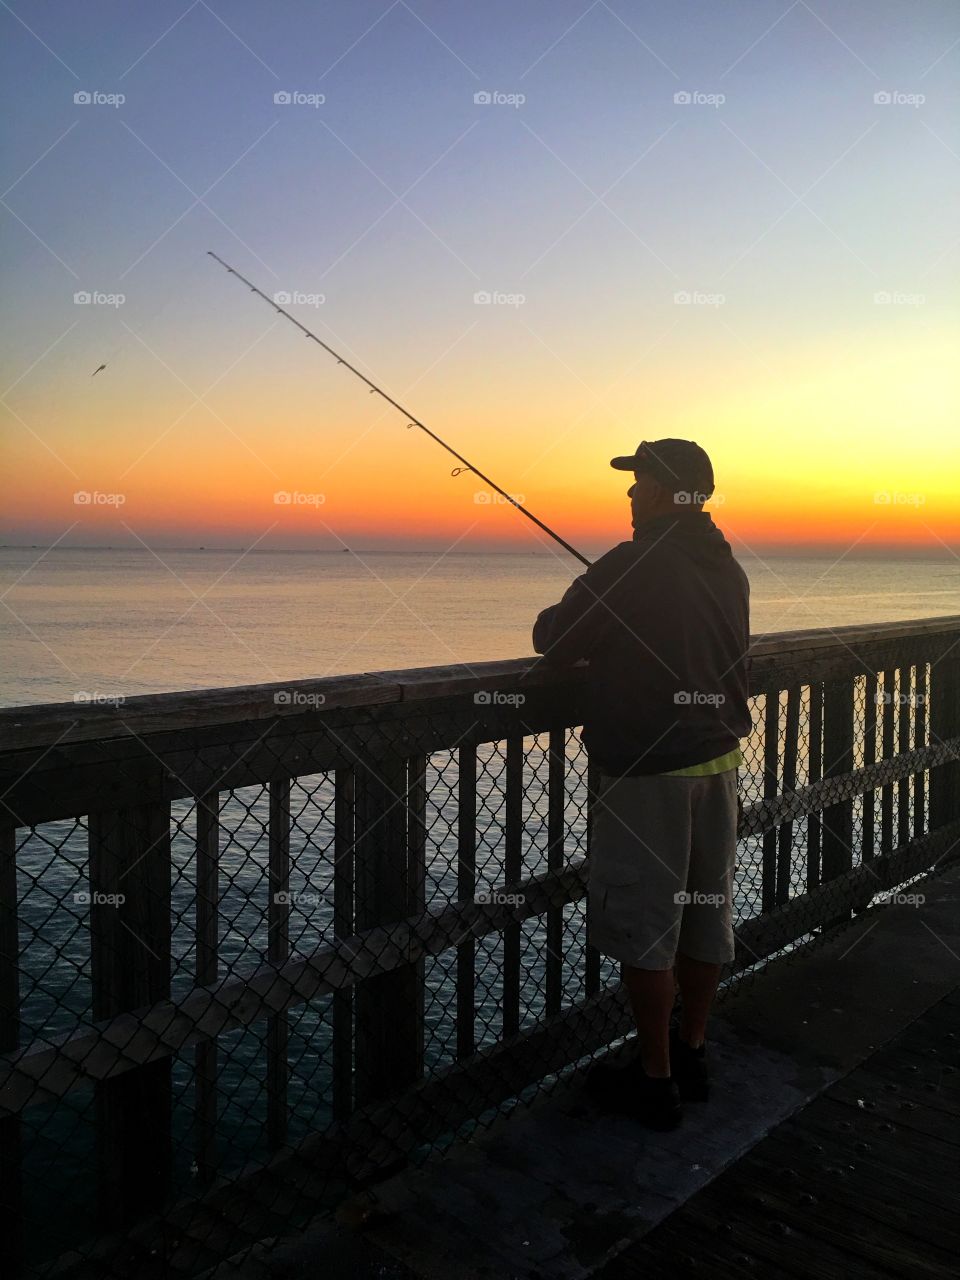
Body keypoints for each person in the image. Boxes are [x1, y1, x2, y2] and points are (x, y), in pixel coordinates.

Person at [532, 439, 751, 1130]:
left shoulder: (632, 564)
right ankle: (691, 1053)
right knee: (704, 915)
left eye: (639, 482)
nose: (629, 494)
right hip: (718, 764)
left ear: (664, 491)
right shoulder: (728, 567)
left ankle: (654, 1081)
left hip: (648, 773)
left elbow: (555, 638)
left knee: (647, 929)